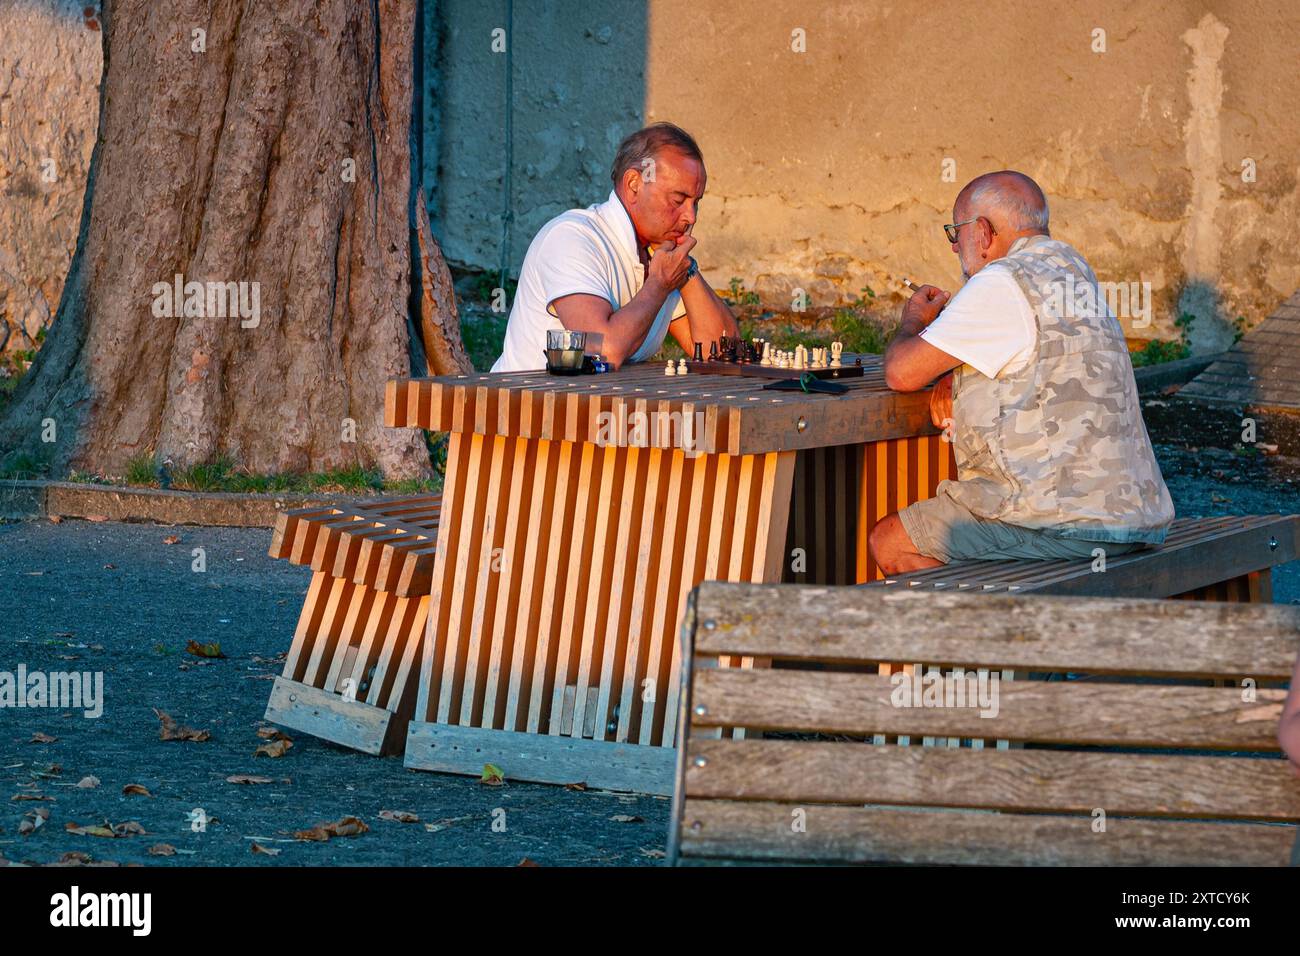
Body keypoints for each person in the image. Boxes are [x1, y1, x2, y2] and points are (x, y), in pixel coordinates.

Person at [869, 170, 1174, 574]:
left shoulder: (1001, 281)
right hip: (1134, 516)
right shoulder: (1073, 270)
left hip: (1059, 522)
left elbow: (901, 373)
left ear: (982, 231)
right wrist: (953, 376)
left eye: (954, 233)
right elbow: (1042, 359)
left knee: (890, 541)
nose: (955, 247)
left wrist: (913, 320)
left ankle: (988, 633)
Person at [491, 122, 738, 372]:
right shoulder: (572, 238)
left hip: (599, 408)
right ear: (633, 185)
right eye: (678, 199)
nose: (690, 217)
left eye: (696, 202)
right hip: (523, 407)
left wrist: (686, 270)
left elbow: (721, 353)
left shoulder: (659, 254)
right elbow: (601, 351)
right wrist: (659, 284)